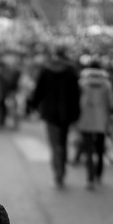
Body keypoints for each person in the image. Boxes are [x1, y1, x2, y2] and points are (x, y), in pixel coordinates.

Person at [29, 46, 81, 188]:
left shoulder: (46, 70)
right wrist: (76, 113)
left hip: (50, 113)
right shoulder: (70, 71)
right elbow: (76, 95)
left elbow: (38, 91)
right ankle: (61, 171)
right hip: (66, 113)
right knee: (62, 143)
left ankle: (57, 173)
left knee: (54, 145)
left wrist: (32, 105)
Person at [76, 58, 113, 190]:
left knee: (88, 151)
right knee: (100, 150)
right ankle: (99, 174)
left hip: (86, 119)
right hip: (101, 120)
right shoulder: (107, 84)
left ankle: (90, 178)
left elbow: (76, 101)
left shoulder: (82, 83)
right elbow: (112, 104)